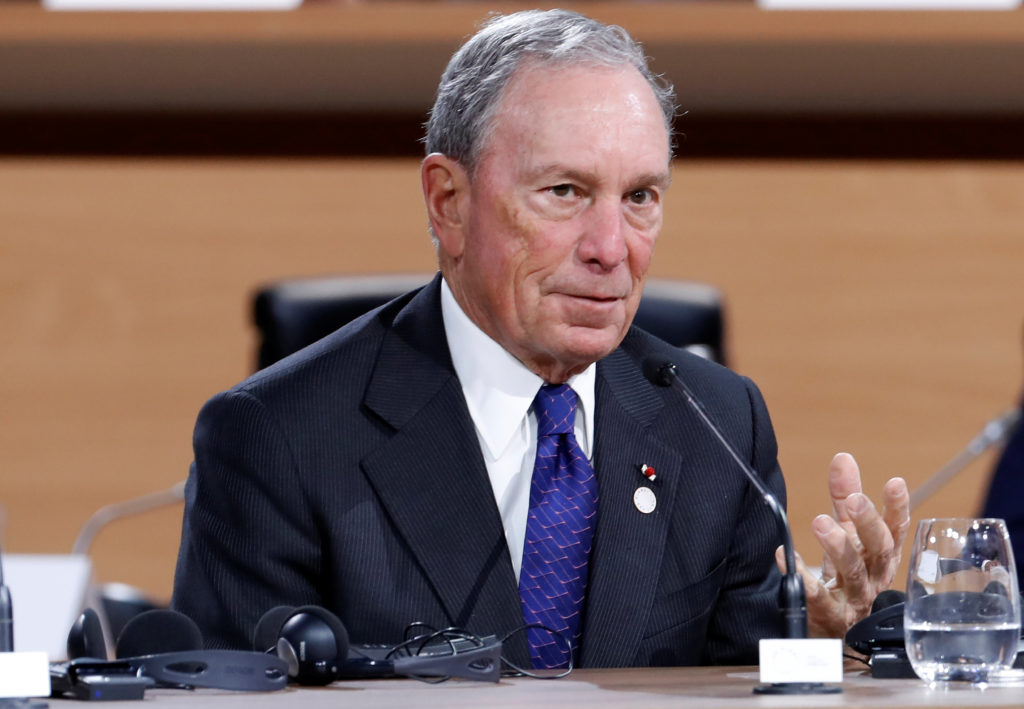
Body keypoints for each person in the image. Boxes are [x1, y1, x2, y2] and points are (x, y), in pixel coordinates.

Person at [171, 9, 909, 668]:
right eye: (565, 192)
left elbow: (734, 677)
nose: (611, 248)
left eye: (640, 197)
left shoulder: (717, 421)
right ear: (449, 202)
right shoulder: (277, 437)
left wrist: (812, 642)